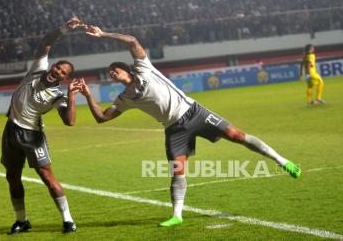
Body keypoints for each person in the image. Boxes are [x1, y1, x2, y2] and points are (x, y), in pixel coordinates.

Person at [78, 25, 301, 227]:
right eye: (110, 74)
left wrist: (103, 34)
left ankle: (283, 161)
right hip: (174, 129)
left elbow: (132, 41)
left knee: (237, 135)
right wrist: (88, 95)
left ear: (126, 69)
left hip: (194, 112)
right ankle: (177, 215)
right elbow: (102, 117)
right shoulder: (125, 98)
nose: (112, 73)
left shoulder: (145, 68)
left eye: (114, 70)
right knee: (178, 170)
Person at [1, 17, 83, 235]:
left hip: (32, 136)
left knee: (47, 177)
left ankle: (68, 220)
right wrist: (65, 29)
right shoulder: (38, 69)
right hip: (10, 131)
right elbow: (46, 42)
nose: (57, 71)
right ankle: (22, 221)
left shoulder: (57, 95)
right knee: (12, 177)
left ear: (65, 78)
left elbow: (70, 121)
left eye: (63, 72)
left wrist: (72, 96)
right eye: (58, 67)